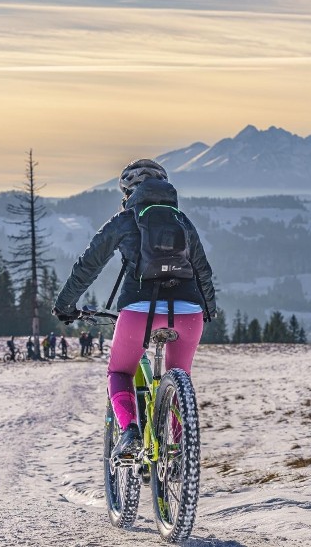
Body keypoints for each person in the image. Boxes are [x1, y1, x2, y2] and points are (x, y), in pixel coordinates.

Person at [53, 159, 216, 459]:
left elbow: (88, 264)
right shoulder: (182, 221)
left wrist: (65, 305)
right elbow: (202, 269)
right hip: (189, 312)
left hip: (139, 311)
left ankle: (129, 432)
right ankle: (181, 449)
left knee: (119, 371)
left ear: (128, 192)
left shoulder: (124, 220)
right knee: (180, 373)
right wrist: (208, 308)